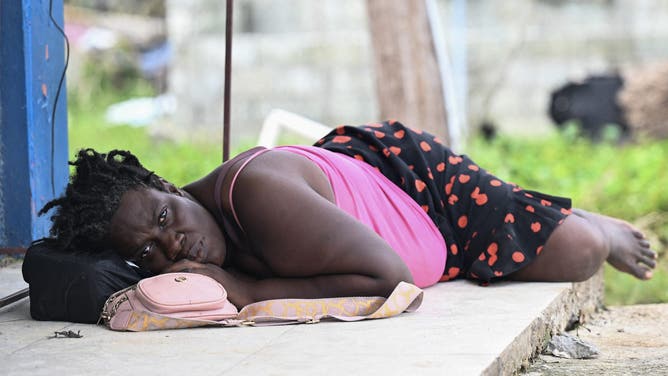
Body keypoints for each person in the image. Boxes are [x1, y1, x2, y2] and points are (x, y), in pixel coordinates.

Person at [40, 121, 657, 308]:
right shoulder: (183, 248)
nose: (175, 247)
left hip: (412, 185)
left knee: (577, 252)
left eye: (166, 216)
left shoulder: (255, 194)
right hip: (357, 194)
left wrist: (250, 289)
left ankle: (587, 218)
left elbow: (390, 277)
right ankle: (527, 210)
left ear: (166, 183)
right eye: (149, 249)